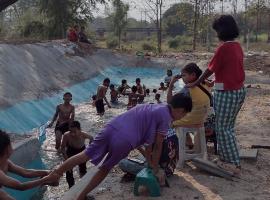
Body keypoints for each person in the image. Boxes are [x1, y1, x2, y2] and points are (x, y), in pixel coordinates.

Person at [44, 93, 193, 200]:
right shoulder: (166, 118)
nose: (182, 117)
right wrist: (155, 167)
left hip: (112, 126)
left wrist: (151, 163)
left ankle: (55, 173)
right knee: (104, 169)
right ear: (180, 110)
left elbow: (146, 145)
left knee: (85, 155)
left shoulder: (153, 106)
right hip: (125, 139)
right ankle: (81, 197)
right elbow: (157, 145)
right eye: (184, 115)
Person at [186, 15, 245, 175]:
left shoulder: (224, 47)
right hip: (237, 90)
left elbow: (210, 68)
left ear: (221, 30)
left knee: (223, 129)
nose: (216, 33)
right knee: (228, 128)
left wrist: (196, 82)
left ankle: (233, 164)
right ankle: (227, 160)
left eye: (217, 30)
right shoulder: (237, 46)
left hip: (227, 93)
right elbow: (226, 69)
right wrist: (214, 82)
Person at [167, 63, 211, 150]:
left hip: (192, 121)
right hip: (202, 119)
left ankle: (182, 145)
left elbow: (170, 102)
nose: (182, 78)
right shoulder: (204, 83)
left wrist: (171, 84)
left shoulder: (188, 88)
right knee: (183, 114)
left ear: (193, 75)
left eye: (184, 75)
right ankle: (190, 142)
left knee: (171, 121)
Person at [0, 130, 53, 200]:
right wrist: (45, 179)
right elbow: (21, 186)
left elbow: (25, 172)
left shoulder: (6, 162)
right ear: (7, 148)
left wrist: (46, 172)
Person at [60, 121, 93, 188]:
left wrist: (89, 149)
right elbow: (62, 148)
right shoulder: (66, 135)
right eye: (71, 131)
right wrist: (67, 160)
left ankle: (83, 186)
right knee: (68, 170)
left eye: (74, 131)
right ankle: (71, 187)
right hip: (70, 150)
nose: (72, 134)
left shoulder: (83, 134)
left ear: (79, 130)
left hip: (81, 150)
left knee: (83, 169)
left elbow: (92, 138)